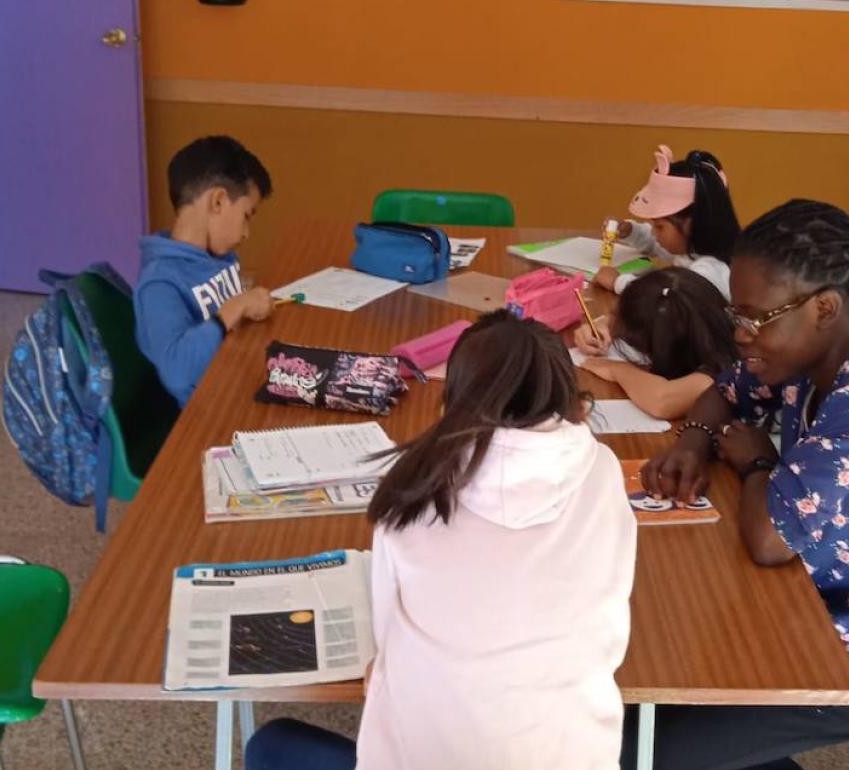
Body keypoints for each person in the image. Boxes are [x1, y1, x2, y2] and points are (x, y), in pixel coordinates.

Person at [633, 199, 849, 769]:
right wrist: (693, 441)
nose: (742, 337)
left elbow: (771, 540)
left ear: (824, 307)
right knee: (644, 699)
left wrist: (756, 464)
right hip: (819, 602)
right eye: (736, 317)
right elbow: (728, 390)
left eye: (755, 319)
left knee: (650, 750)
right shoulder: (810, 354)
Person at [246, 310, 638, 770]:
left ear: (452, 402)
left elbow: (385, 643)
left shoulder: (416, 485)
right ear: (572, 403)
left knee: (269, 745)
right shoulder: (602, 467)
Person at [135, 135, 274, 407]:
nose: (246, 233)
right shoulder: (159, 283)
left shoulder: (217, 257)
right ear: (218, 201)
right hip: (206, 415)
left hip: (235, 381)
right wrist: (233, 310)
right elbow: (177, 371)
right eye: (247, 215)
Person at [573, 268, 736, 419]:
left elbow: (663, 402)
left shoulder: (725, 367)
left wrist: (616, 369)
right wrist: (605, 326)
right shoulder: (692, 316)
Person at [595, 144, 739, 300]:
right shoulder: (691, 251)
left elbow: (666, 302)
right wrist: (631, 231)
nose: (654, 232)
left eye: (659, 226)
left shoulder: (708, 272)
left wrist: (618, 282)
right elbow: (656, 245)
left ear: (690, 225)